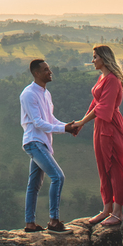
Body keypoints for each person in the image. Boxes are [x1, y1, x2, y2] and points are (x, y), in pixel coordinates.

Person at [67, 45, 123, 228]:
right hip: (100, 126)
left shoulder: (112, 80)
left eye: (95, 57)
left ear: (104, 59)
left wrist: (81, 123)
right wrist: (82, 122)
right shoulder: (103, 77)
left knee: (115, 168)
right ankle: (106, 209)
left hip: (111, 127)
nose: (93, 60)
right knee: (103, 167)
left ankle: (118, 212)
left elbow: (103, 108)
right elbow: (95, 103)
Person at [20, 58, 79, 234]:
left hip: (43, 143)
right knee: (58, 177)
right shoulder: (28, 94)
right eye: (46, 69)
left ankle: (30, 224)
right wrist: (64, 128)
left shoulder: (46, 93)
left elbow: (49, 119)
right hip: (34, 141)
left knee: (34, 185)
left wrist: (67, 126)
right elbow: (38, 123)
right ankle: (54, 222)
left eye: (49, 68)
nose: (50, 71)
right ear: (36, 73)